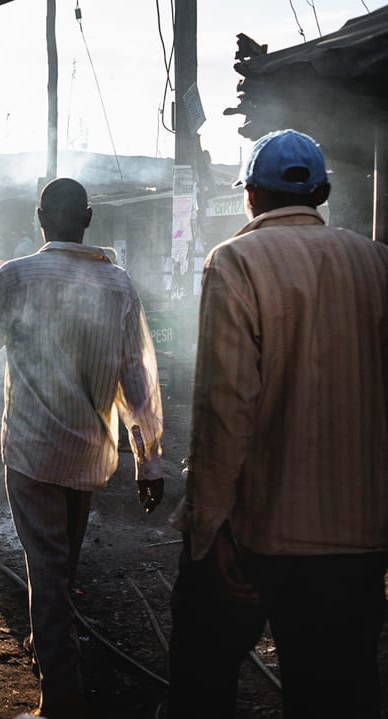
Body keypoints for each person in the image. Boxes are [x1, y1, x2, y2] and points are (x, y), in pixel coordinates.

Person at [164, 129, 388, 719]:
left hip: (262, 538)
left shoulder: (236, 261)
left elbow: (224, 408)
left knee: (200, 683)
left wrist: (209, 529)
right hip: (361, 539)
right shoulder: (378, 262)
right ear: (324, 192)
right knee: (340, 694)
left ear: (251, 197)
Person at [0, 177, 165, 719]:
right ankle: (51, 651)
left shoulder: (17, 276)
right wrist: (149, 460)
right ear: (87, 218)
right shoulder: (120, 286)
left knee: (46, 571)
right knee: (60, 567)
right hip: (90, 456)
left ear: (40, 219)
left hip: (33, 453)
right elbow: (139, 380)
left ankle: (62, 700)